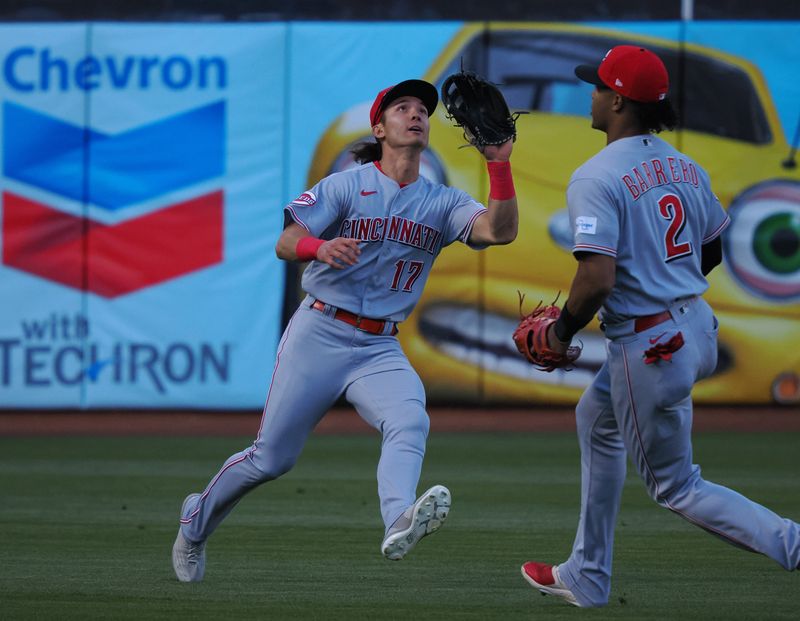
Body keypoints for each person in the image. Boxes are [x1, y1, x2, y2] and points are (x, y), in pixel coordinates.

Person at [172, 78, 518, 582]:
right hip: (320, 331)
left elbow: (500, 231)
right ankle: (195, 521)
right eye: (402, 107)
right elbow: (287, 241)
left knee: (410, 418)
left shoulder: (442, 202)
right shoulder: (345, 185)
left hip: (378, 345)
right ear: (379, 128)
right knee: (271, 459)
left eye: (422, 108)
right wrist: (320, 248)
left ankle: (399, 517)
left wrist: (499, 164)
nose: (415, 114)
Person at [519, 45, 800, 607]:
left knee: (677, 488)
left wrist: (563, 331)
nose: (592, 93)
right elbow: (713, 248)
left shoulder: (594, 176)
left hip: (650, 346)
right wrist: (664, 277)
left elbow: (596, 279)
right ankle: (586, 574)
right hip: (696, 326)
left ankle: (793, 545)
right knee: (596, 420)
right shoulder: (683, 164)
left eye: (598, 85)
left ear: (618, 100)